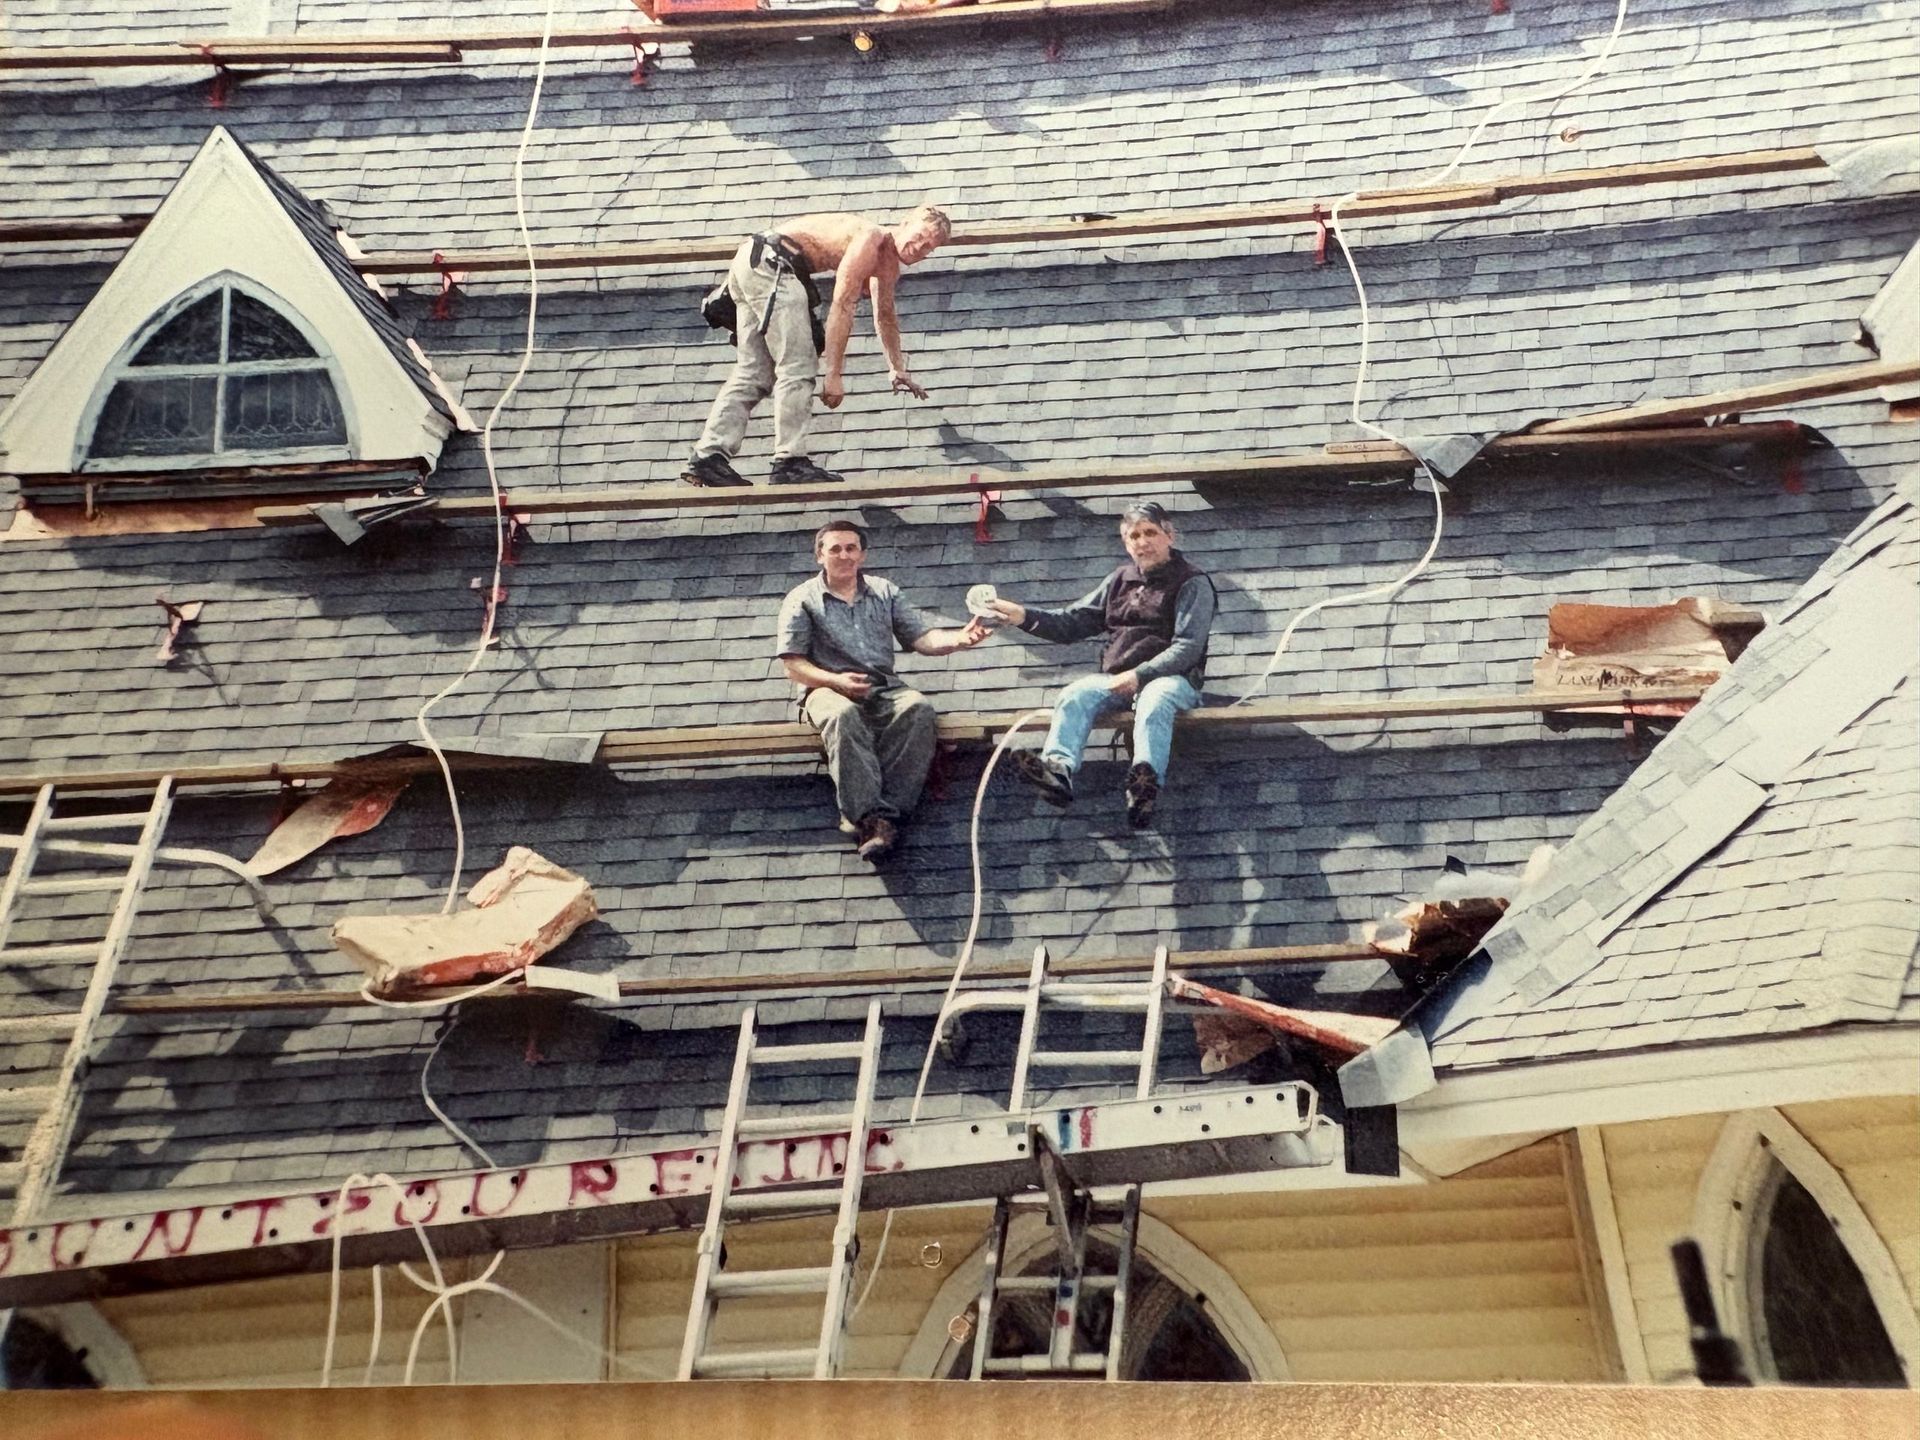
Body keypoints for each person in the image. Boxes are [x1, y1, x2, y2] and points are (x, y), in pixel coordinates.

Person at [683, 206, 951, 488]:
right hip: (774, 264)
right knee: (799, 364)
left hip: (755, 263)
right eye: (920, 235)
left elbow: (885, 316)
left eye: (928, 248)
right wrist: (833, 374)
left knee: (755, 373)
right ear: (905, 223)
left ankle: (708, 458)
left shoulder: (887, 266)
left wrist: (896, 367)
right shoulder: (870, 238)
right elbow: (843, 303)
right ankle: (790, 461)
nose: (920, 247)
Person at [985, 501, 1215, 830]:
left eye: (1150, 532)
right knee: (1076, 693)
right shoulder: (1120, 580)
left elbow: (1188, 647)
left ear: (1169, 535)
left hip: (1173, 680)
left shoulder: (1193, 582)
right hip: (1119, 678)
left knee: (1155, 699)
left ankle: (1143, 787)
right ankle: (1058, 772)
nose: (1142, 541)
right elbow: (1072, 623)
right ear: (1126, 542)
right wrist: (1023, 616)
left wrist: (1141, 675)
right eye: (1134, 535)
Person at [778, 518, 989, 861]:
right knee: (843, 715)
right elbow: (793, 665)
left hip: (881, 686)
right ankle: (865, 816)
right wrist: (836, 682)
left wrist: (958, 640)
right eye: (835, 549)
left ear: (862, 555)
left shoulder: (884, 591)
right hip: (826, 688)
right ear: (819, 556)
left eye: (851, 548)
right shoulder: (802, 599)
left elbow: (922, 639)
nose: (844, 555)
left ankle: (884, 815)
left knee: (917, 708)